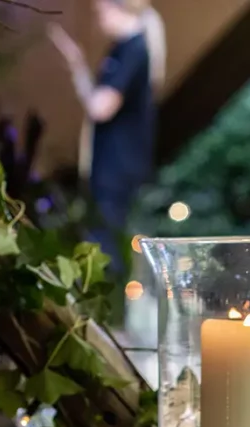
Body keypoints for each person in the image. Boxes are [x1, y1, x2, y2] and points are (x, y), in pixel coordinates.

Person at [49, 1, 166, 269]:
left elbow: (100, 107)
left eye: (100, 12)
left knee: (106, 245)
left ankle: (107, 305)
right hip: (113, 164)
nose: (98, 20)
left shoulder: (133, 48)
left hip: (118, 166)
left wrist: (77, 67)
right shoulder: (124, 47)